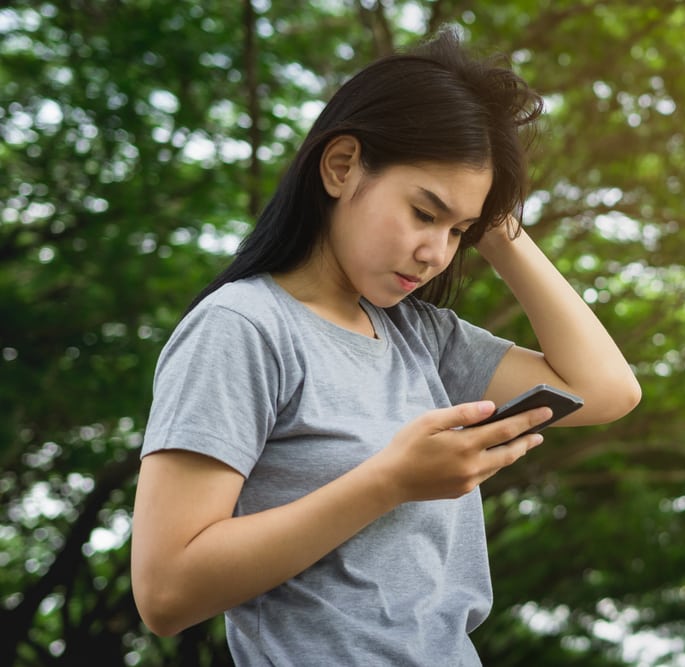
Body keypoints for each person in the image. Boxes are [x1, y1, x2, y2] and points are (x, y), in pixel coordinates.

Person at [130, 29, 641, 666]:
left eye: (459, 231)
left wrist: (500, 228)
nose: (437, 253)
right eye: (424, 213)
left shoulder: (418, 335)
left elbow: (607, 391)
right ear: (341, 166)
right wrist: (390, 482)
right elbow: (165, 591)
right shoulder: (243, 326)